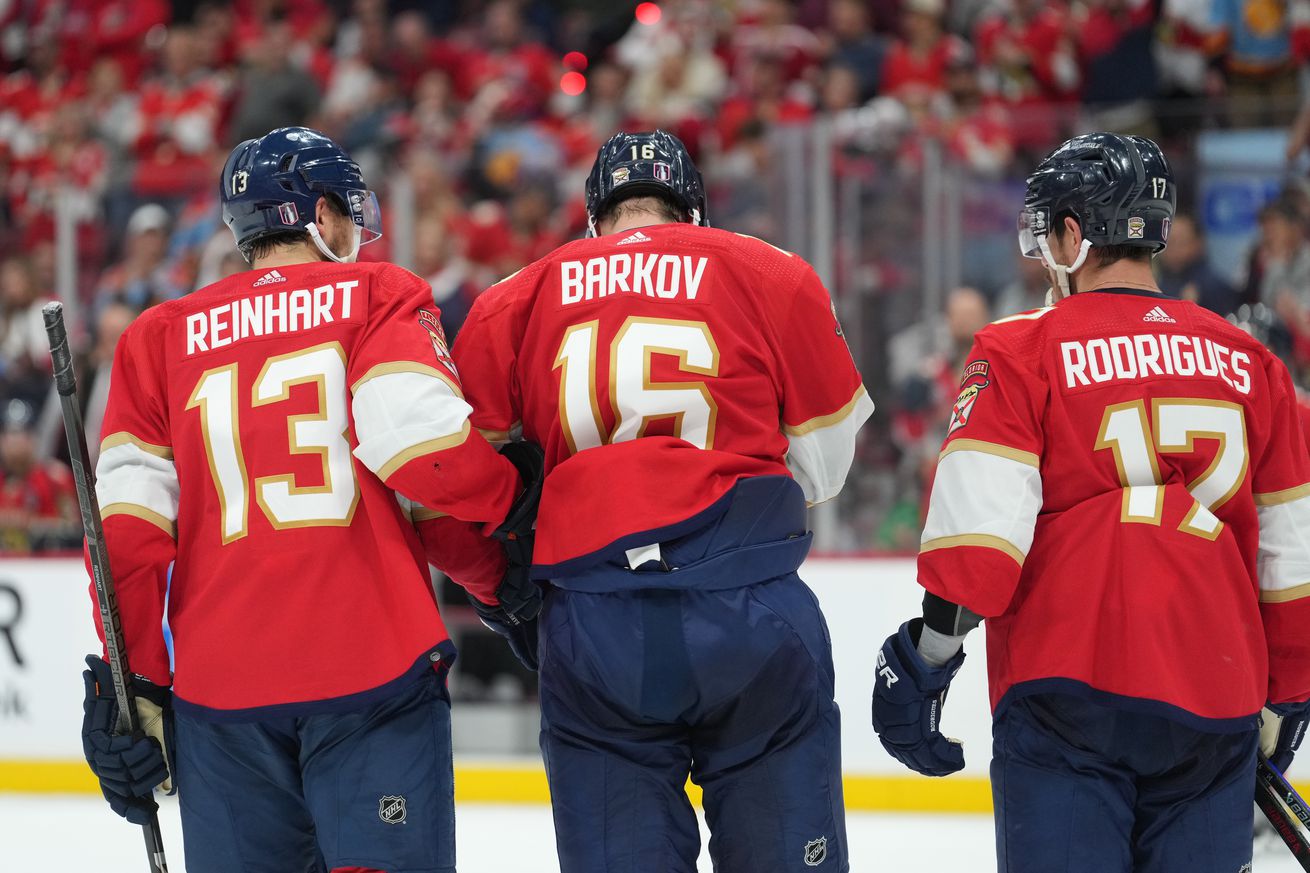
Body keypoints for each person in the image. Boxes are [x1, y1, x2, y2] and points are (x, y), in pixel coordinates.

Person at [78, 126, 541, 873]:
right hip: (371, 672)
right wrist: (510, 532)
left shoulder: (154, 337)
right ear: (320, 215)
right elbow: (425, 465)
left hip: (219, 694)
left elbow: (125, 541)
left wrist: (134, 687)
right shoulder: (377, 294)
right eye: (349, 213)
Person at [871, 132, 1310, 873]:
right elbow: (1291, 553)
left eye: (1048, 233)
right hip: (1215, 693)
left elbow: (977, 542)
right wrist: (1288, 697)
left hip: (1066, 689)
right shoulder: (1253, 363)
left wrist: (926, 656)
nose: (1042, 254)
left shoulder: (1020, 349)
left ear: (1074, 235)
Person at [452, 130, 873, 873]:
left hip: (591, 617)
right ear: (694, 210)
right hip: (750, 608)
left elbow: (466, 481)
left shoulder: (511, 298)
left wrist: (509, 591)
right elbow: (825, 459)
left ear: (594, 218)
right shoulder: (771, 271)